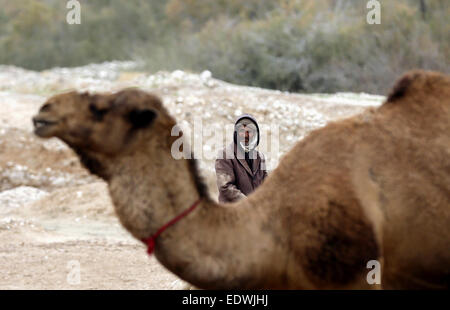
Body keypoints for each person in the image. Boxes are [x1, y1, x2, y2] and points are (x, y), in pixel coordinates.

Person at [215, 114, 268, 203]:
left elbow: (266, 183)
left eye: (249, 131)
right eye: (242, 131)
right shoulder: (225, 154)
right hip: (233, 212)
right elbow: (225, 186)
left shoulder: (260, 157)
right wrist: (249, 204)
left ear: (255, 134)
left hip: (256, 212)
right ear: (236, 133)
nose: (245, 135)